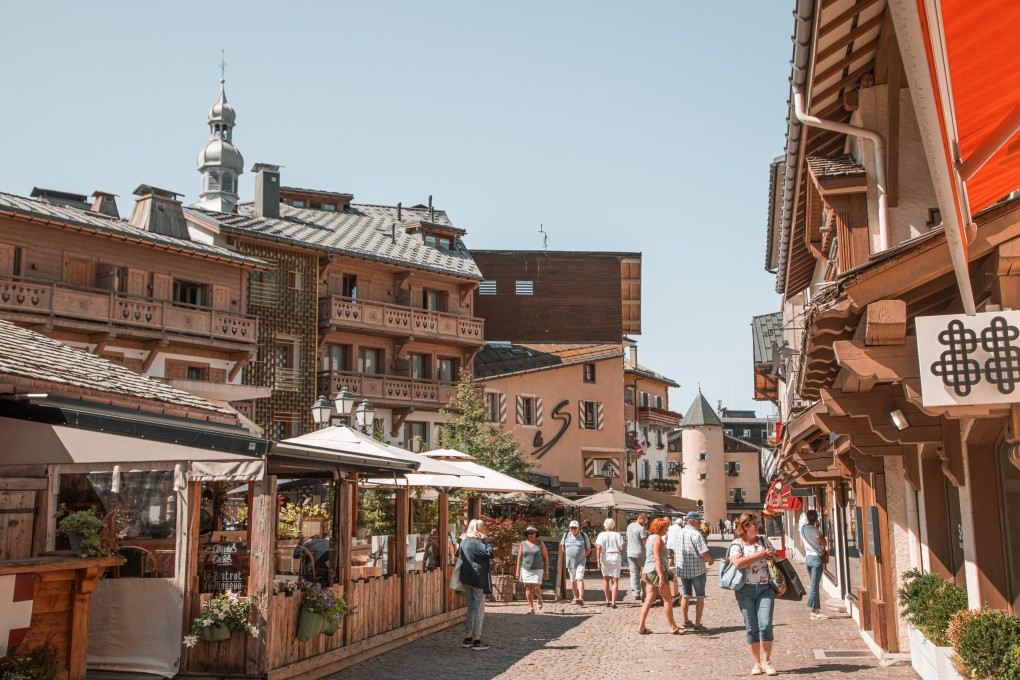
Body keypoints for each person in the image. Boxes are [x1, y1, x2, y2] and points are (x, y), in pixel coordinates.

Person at [728, 513, 779, 676]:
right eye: (753, 524)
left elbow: (777, 557)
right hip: (745, 590)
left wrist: (773, 556)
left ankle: (767, 661)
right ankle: (757, 663)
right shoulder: (737, 544)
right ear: (744, 527)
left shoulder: (764, 541)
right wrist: (760, 555)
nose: (758, 527)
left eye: (757, 523)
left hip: (765, 588)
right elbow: (738, 562)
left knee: (766, 625)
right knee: (752, 628)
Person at [637, 517, 685, 635]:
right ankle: (672, 626)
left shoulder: (650, 538)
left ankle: (641, 626)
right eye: (666, 527)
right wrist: (662, 577)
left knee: (649, 600)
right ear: (660, 527)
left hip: (648, 570)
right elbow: (657, 559)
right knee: (667, 599)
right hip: (657, 571)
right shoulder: (657, 539)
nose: (667, 529)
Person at [676, 511, 715, 631]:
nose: (700, 523)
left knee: (685, 595)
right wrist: (711, 560)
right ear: (693, 522)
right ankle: (698, 624)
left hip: (683, 569)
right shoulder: (696, 535)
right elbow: (703, 553)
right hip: (697, 570)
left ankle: (685, 620)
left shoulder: (679, 533)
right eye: (698, 521)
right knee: (700, 596)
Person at [458, 518, 493, 650]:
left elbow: (458, 555)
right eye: (482, 528)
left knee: (471, 608)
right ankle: (477, 640)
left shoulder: (464, 542)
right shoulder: (476, 543)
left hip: (466, 578)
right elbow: (490, 553)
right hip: (478, 579)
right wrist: (487, 539)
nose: (484, 530)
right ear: (478, 530)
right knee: (478, 610)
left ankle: (467, 638)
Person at [800, 509, 829, 620]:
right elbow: (824, 543)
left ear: (807, 518)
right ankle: (813, 611)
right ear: (816, 518)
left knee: (814, 585)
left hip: (808, 559)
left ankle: (816, 610)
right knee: (814, 586)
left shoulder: (803, 529)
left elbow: (803, 544)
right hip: (816, 559)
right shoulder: (815, 530)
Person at [516, 525, 549, 614]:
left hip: (538, 568)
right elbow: (519, 558)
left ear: (535, 534)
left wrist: (546, 571)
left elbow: (546, 557)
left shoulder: (540, 543)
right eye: (528, 533)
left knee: (536, 586)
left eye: (532, 533)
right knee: (528, 587)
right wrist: (517, 571)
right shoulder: (523, 544)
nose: (530, 535)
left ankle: (539, 598)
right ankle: (531, 607)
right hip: (526, 568)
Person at [595, 518, 625, 608]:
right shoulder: (617, 535)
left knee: (606, 579)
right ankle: (613, 602)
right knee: (615, 581)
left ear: (605, 525)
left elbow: (598, 547)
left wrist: (598, 560)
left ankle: (607, 600)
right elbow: (622, 548)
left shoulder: (601, 535)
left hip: (605, 557)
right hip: (615, 557)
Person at [561, 520, 592, 605]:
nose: (573, 529)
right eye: (571, 528)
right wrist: (567, 555)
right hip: (570, 562)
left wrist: (584, 557)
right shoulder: (566, 535)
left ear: (578, 528)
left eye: (575, 528)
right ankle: (575, 597)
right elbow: (562, 546)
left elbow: (588, 548)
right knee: (572, 580)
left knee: (580, 578)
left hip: (581, 562)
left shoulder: (583, 535)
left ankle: (581, 597)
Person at [625, 513, 649, 600]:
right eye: (645, 520)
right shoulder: (641, 529)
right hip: (640, 553)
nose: (646, 523)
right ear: (641, 519)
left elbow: (627, 538)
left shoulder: (629, 526)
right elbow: (645, 542)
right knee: (643, 572)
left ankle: (636, 593)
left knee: (634, 573)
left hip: (630, 552)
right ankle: (645, 591)